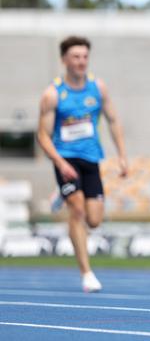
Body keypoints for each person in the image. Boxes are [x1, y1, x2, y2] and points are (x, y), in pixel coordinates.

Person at [37, 36, 128, 292]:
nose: (81, 61)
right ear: (64, 59)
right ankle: (87, 273)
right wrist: (58, 162)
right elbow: (42, 134)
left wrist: (121, 155)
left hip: (91, 158)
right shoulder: (53, 94)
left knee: (95, 220)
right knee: (77, 211)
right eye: (76, 57)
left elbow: (112, 120)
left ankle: (61, 194)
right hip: (65, 158)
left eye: (85, 56)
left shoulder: (98, 88)